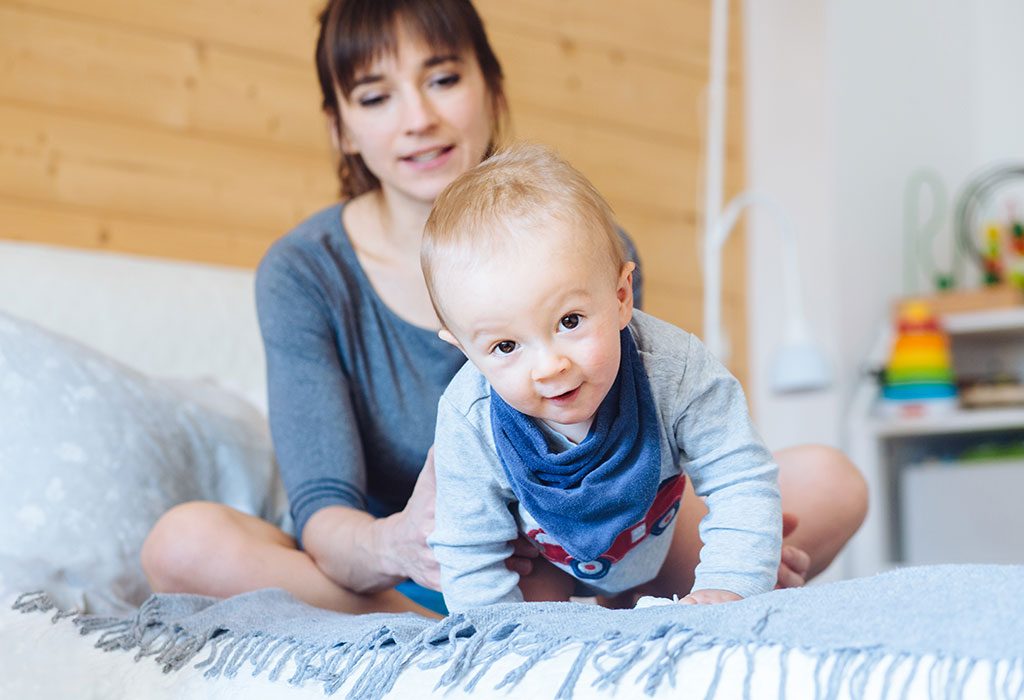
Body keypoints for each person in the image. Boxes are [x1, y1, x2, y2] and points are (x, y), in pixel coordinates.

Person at [141, 0, 867, 617]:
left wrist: (735, 559)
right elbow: (323, 508)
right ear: (341, 128)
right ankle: (434, 638)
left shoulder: (584, 246)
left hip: (578, 549)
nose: (418, 119)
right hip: (402, 571)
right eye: (376, 96)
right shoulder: (306, 273)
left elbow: (622, 444)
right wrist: (406, 541)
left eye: (444, 78)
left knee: (827, 482)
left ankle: (609, 619)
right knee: (184, 545)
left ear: (490, 85)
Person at [424, 143, 782, 611]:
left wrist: (730, 584)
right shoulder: (469, 417)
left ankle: (641, 597)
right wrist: (495, 637)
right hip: (546, 565)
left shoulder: (676, 370)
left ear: (620, 296)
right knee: (522, 611)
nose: (550, 366)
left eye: (570, 321)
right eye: (506, 347)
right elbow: (470, 552)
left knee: (800, 511)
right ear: (465, 350)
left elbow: (740, 477)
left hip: (660, 545)